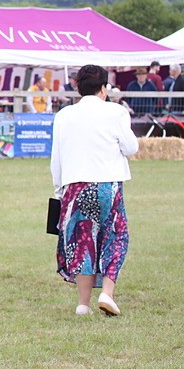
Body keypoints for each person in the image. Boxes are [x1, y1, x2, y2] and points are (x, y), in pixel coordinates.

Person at [50, 64, 138, 317]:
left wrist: (59, 190)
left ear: (78, 88)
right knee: (115, 236)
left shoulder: (64, 115)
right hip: (108, 184)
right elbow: (131, 147)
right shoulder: (116, 111)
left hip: (75, 185)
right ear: (104, 88)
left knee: (82, 241)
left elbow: (57, 158)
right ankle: (107, 293)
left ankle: (83, 304)